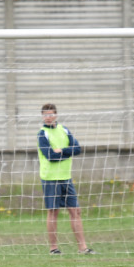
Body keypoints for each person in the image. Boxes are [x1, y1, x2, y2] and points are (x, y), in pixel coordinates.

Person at [37, 103, 95, 255]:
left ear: (56, 115)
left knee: (75, 211)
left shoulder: (64, 129)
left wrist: (62, 150)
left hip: (66, 177)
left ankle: (83, 248)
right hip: (50, 178)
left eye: (51, 114)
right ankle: (53, 248)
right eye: (45, 115)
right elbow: (51, 156)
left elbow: (77, 149)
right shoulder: (42, 134)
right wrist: (63, 152)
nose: (48, 117)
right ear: (42, 117)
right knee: (53, 212)